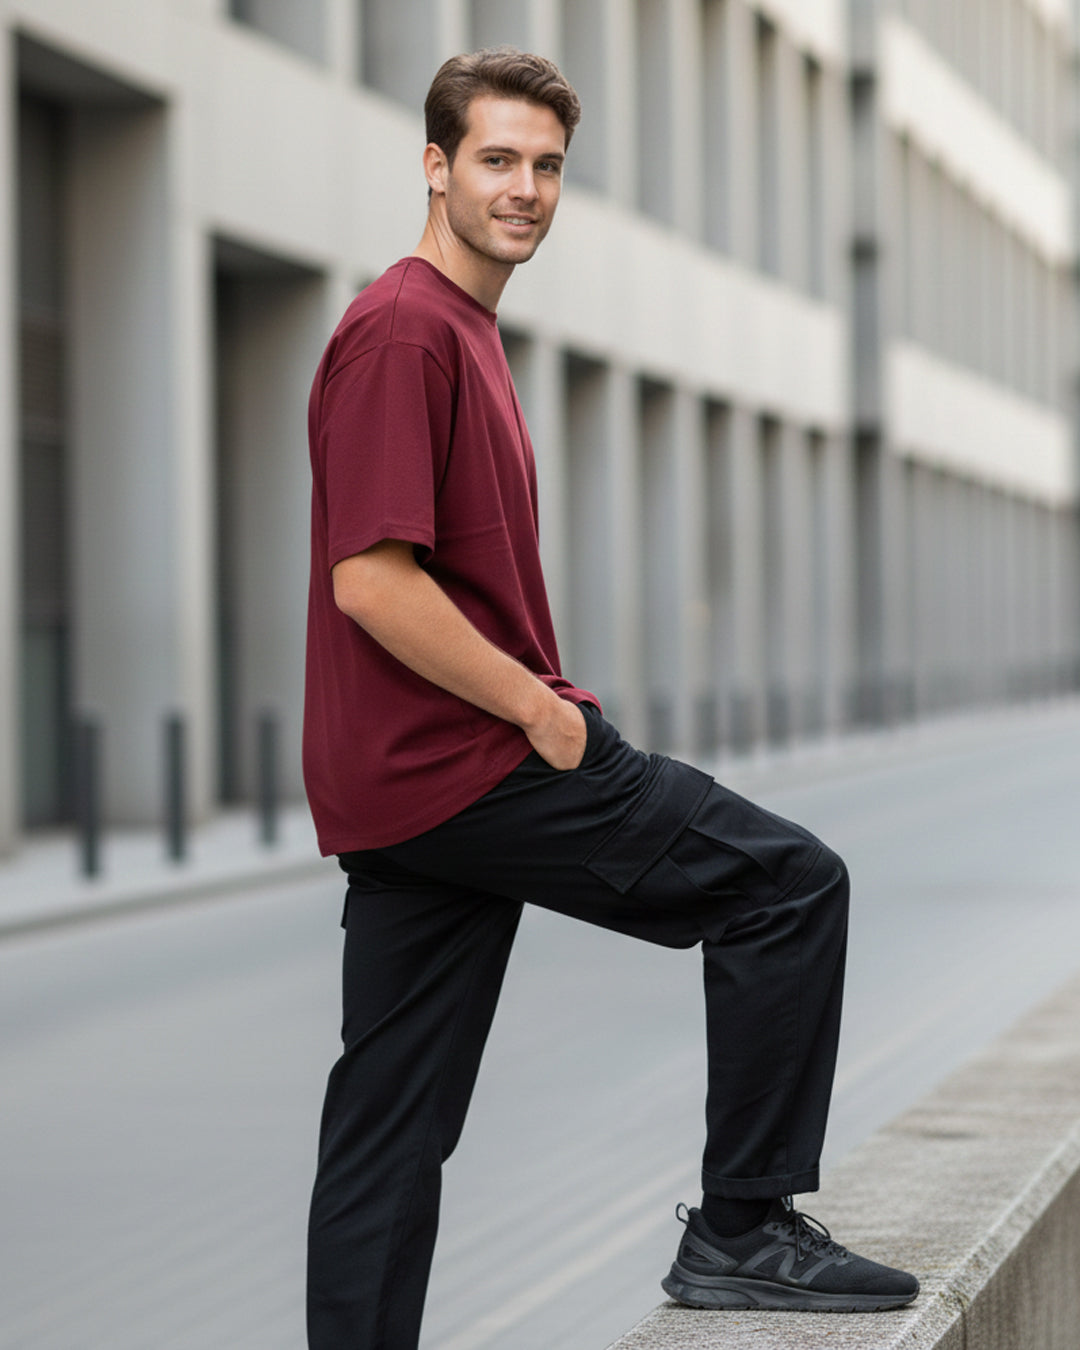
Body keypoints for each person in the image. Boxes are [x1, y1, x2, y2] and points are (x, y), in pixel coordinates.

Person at [303, 46, 919, 1350]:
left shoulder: (461, 325)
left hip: (405, 792)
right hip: (474, 761)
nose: (524, 189)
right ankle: (743, 1228)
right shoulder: (404, 325)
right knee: (788, 885)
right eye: (496, 160)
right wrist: (540, 712)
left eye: (545, 167)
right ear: (435, 165)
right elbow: (370, 578)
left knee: (390, 1127)